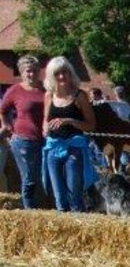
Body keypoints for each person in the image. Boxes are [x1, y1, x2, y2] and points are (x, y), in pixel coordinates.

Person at [40, 56, 98, 212]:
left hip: (74, 147)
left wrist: (70, 121)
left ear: (70, 73)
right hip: (53, 147)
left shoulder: (79, 96)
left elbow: (91, 125)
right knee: (59, 195)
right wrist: (45, 129)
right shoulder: (48, 95)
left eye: (64, 72)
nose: (61, 76)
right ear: (51, 75)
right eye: (57, 73)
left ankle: (78, 226)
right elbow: (45, 120)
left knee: (75, 194)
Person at [0, 54, 48, 208]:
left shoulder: (46, 88)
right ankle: (30, 211)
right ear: (21, 72)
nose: (31, 74)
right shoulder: (15, 90)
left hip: (46, 139)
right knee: (29, 179)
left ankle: (47, 208)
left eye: (34, 70)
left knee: (45, 177)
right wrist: (6, 125)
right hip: (23, 141)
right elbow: (2, 110)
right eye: (28, 71)